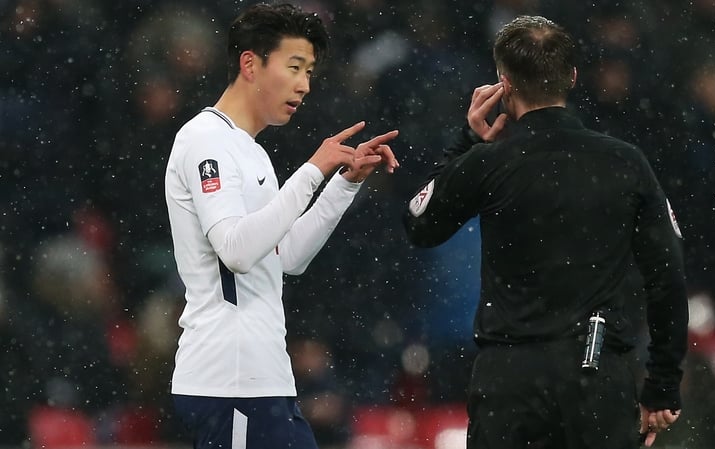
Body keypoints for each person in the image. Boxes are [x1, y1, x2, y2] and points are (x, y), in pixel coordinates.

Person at [402, 15, 688, 449]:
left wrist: (466, 142)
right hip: (595, 374)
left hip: (509, 382)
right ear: (572, 77)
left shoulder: (490, 162)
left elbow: (418, 225)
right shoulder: (624, 162)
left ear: (504, 83)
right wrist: (663, 384)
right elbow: (667, 275)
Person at [164, 3, 398, 449]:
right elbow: (234, 249)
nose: (304, 85)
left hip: (264, 381)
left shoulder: (253, 152)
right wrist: (313, 169)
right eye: (294, 67)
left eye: (309, 71)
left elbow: (285, 258)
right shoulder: (204, 140)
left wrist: (342, 184)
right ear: (250, 63)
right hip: (228, 382)